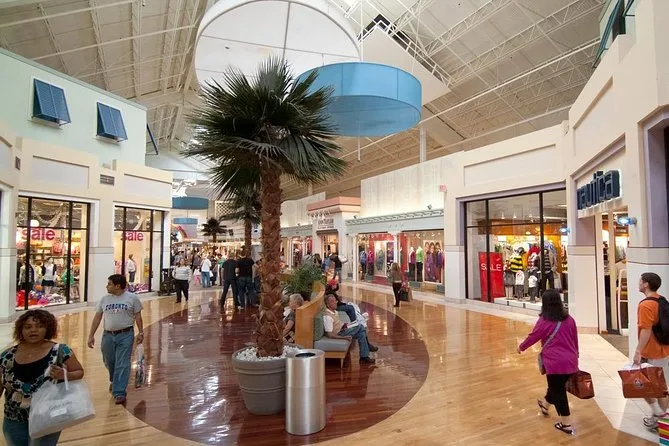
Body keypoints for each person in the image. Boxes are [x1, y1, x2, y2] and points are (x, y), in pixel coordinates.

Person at [0, 310, 84, 445]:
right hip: (14, 418)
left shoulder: (60, 351)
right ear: (21, 330)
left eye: (39, 326)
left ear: (47, 328)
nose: (33, 330)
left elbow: (79, 372)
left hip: (47, 416)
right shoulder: (7, 356)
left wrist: (65, 375)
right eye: (28, 327)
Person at [518, 289, 578, 436]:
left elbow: (533, 336)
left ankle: (566, 424)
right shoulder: (570, 319)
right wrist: (577, 355)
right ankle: (545, 405)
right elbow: (574, 339)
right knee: (556, 386)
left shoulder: (544, 321)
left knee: (558, 391)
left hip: (554, 362)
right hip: (571, 360)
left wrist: (521, 347)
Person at [87, 274, 144, 405]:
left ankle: (119, 392)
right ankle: (115, 379)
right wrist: (91, 335)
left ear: (117, 286)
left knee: (122, 363)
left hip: (125, 335)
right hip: (108, 335)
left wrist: (141, 332)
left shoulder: (132, 298)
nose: (107, 286)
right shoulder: (104, 299)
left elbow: (138, 316)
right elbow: (97, 317)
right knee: (109, 360)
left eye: (109, 284)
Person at [633, 272, 669, 430]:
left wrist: (638, 351)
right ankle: (658, 419)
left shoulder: (646, 305)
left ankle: (660, 415)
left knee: (642, 385)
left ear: (646, 284)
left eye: (640, 281)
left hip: (651, 352)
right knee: (661, 387)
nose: (639, 283)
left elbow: (646, 330)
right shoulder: (661, 300)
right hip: (664, 349)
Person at [323, 295, 375, 364]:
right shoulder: (327, 317)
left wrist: (346, 325)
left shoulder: (334, 312)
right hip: (340, 333)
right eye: (332, 301)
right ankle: (367, 348)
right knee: (361, 326)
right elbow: (330, 334)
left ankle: (364, 357)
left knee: (361, 334)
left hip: (343, 329)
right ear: (328, 305)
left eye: (335, 300)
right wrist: (344, 337)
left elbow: (337, 324)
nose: (335, 302)